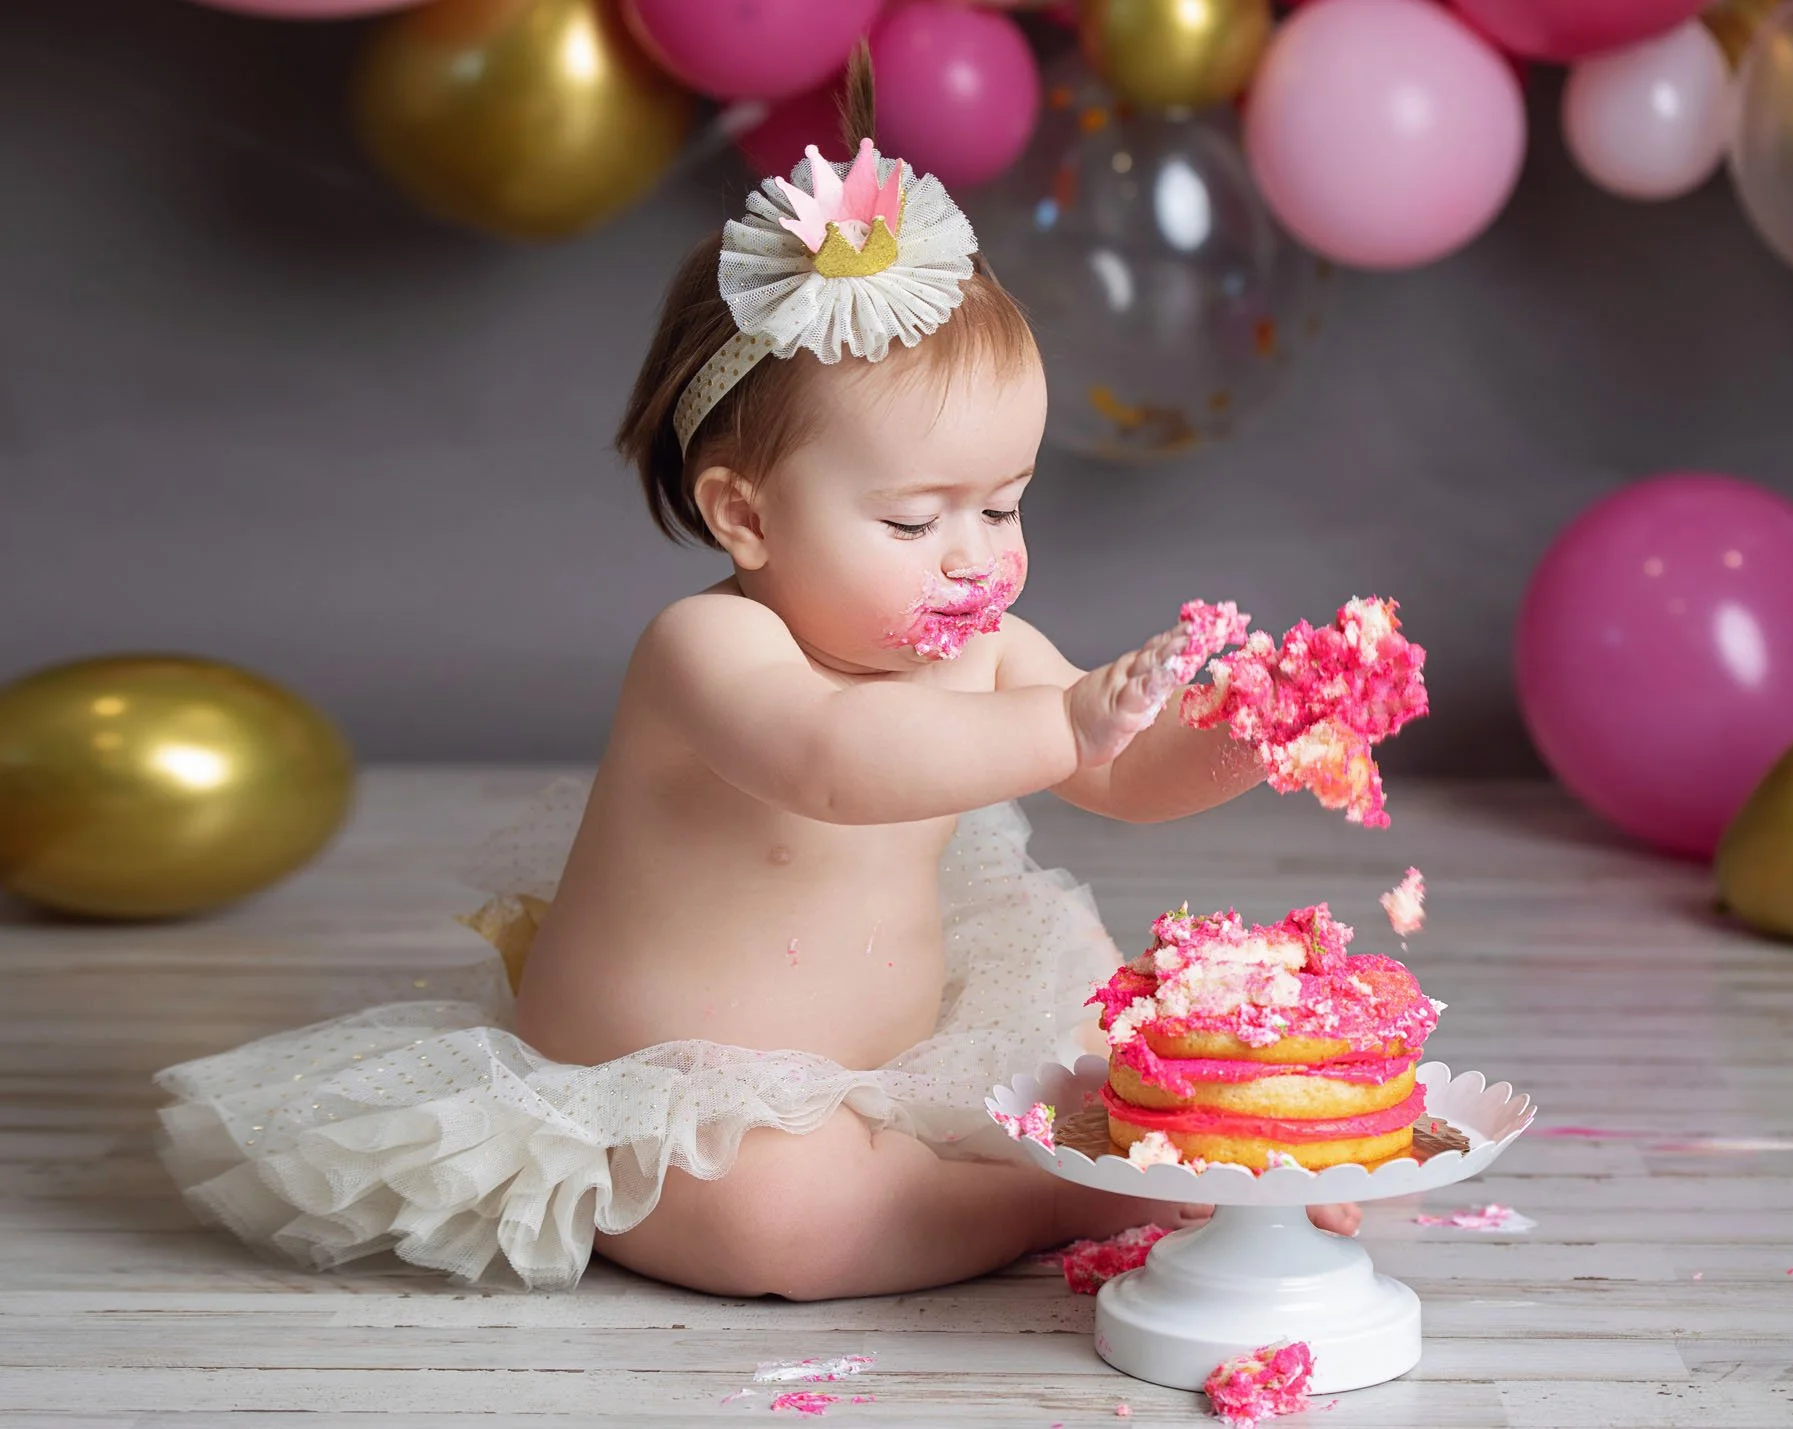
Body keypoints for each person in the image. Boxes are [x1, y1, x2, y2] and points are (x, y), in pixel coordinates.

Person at [154, 54, 1360, 1301]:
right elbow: (833, 762)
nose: (976, 554)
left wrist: (1252, 727)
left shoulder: (989, 648)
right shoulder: (710, 651)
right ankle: (1062, 1188)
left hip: (892, 1050)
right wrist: (1061, 721)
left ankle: (1113, 1150)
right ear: (746, 517)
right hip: (665, 1085)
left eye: (1003, 506)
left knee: (1094, 1043)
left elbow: (1124, 775)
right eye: (910, 523)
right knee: (787, 1227)